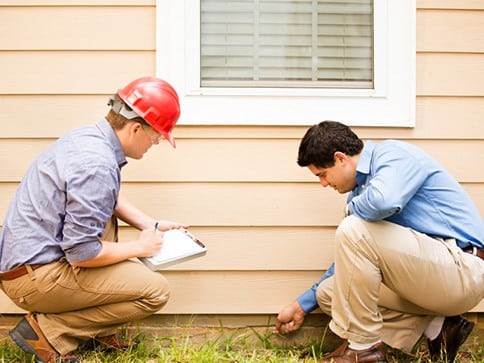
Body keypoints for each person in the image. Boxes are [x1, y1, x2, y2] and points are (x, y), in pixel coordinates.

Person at [0, 76, 188, 363]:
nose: (157, 141)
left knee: (105, 227)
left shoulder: (90, 139)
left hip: (28, 265)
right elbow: (81, 252)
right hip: (35, 278)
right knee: (155, 291)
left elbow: (105, 197)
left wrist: (149, 225)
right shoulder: (96, 165)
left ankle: (92, 332)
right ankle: (49, 332)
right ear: (136, 127)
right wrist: (141, 248)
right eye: (158, 134)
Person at [274, 121, 484, 363]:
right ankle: (438, 327)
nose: (323, 183)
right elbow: (348, 264)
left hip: (463, 269)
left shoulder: (393, 156)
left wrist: (351, 215)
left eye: (322, 174)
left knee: (353, 229)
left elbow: (384, 202)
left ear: (341, 158)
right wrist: (300, 306)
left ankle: (363, 349)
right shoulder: (360, 195)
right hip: (431, 281)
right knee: (329, 292)